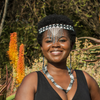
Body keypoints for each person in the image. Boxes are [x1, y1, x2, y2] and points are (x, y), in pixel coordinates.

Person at [15, 14, 100, 100]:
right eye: (48, 41)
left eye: (62, 40)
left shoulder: (86, 79)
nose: (55, 45)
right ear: (41, 46)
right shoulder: (32, 81)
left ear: (71, 45)